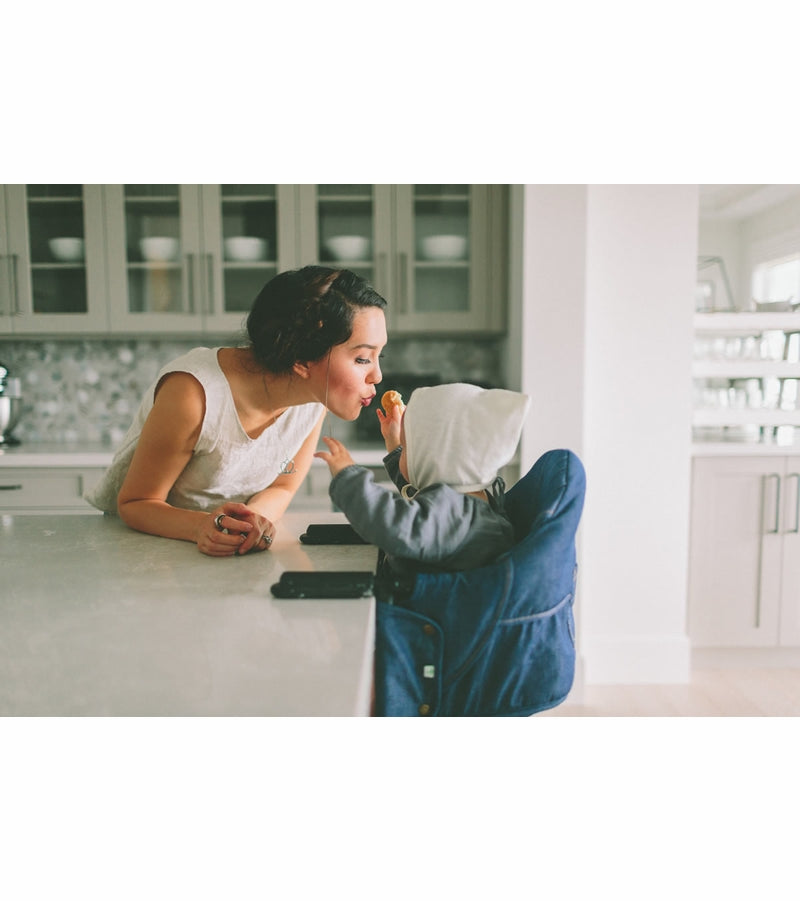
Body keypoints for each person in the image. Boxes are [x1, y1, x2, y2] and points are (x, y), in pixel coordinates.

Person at [85, 266, 388, 556]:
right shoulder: (192, 395)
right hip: (142, 550)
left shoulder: (313, 400)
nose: (378, 376)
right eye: (362, 359)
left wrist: (249, 524)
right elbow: (137, 502)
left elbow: (283, 485)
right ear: (302, 359)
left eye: (379, 356)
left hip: (223, 553)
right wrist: (202, 527)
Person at [314, 382, 531, 600]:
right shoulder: (472, 500)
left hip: (420, 619)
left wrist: (349, 477)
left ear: (436, 457)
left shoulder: (454, 515)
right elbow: (418, 493)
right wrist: (395, 446)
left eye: (409, 449)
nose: (405, 452)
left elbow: (392, 524)